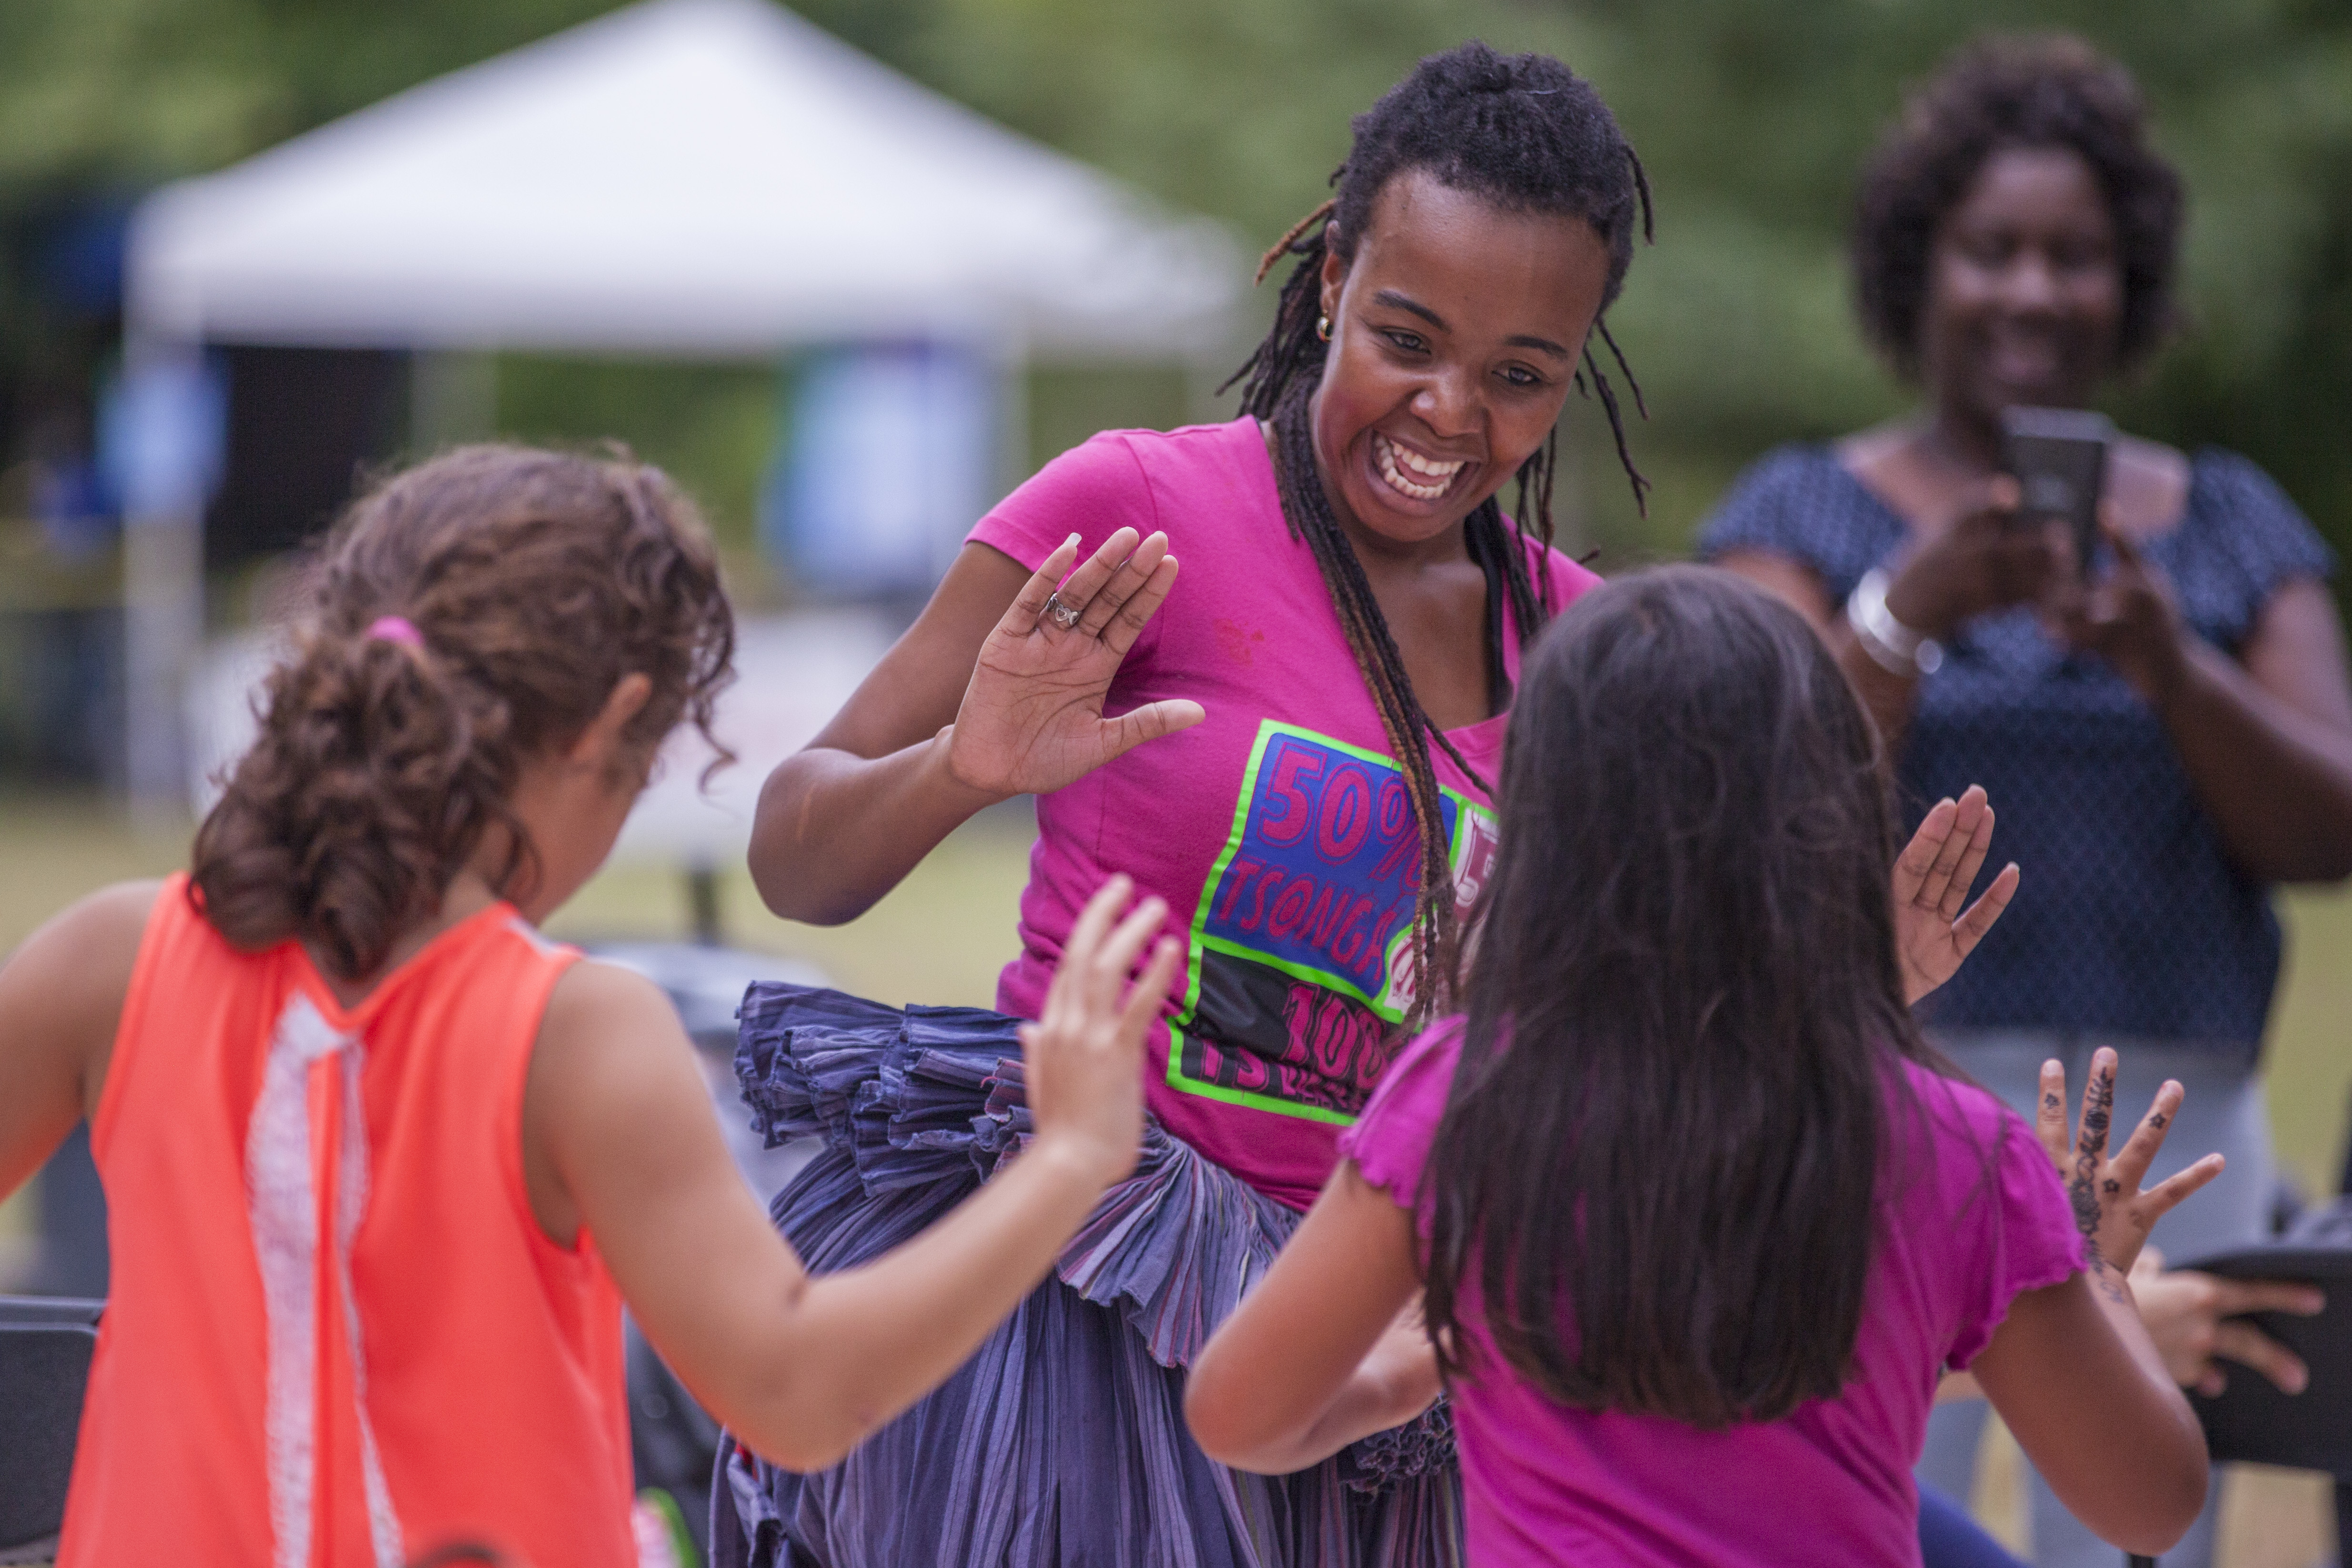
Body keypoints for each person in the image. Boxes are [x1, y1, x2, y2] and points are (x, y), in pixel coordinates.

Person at [726, 44, 1650, 1568]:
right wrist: (965, 765)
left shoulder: (1584, 647)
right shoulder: (1137, 506)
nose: (1445, 411)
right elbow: (796, 854)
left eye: (1517, 375)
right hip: (1081, 1300)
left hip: (1367, 1354)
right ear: (1333, 273)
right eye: (1405, 336)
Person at [0, 445, 1180, 1568]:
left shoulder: (113, 955)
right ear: (610, 726)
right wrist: (1069, 1155)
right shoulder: (574, 1034)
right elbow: (797, 1394)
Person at [1185, 566, 2213, 1566]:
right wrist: (2089, 1273)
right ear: (1834, 820)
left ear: (1545, 828)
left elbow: (1237, 1415)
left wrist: (1401, 1382)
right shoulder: (1956, 1151)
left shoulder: (1467, 1090)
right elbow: (2149, 1505)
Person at [1698, 35, 2351, 1565]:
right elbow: (1738, 795)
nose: (2034, 291)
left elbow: (2327, 826)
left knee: (2137, 1526)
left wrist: (2167, 664)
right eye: (1993, 250)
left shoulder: (2224, 522)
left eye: (2078, 256)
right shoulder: (1801, 513)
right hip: (1878, 1118)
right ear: (1915, 270)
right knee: (1867, 1506)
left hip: (2178, 1129)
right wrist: (1899, 618)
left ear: (2130, 284)